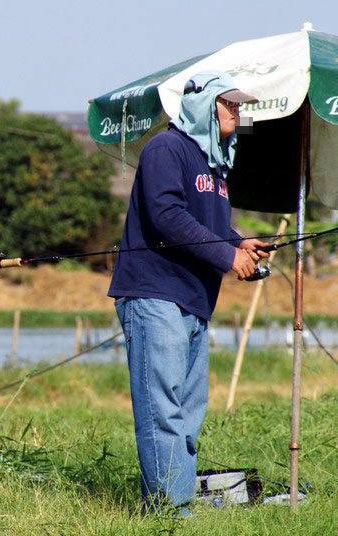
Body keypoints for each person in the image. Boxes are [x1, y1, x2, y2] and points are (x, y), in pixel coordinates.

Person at [108, 70, 268, 514]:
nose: (238, 110)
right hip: (155, 293)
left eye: (239, 104)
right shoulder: (167, 147)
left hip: (195, 301)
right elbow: (165, 215)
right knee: (162, 410)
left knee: (188, 412)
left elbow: (205, 226)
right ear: (202, 104)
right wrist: (226, 256)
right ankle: (168, 512)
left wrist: (238, 243)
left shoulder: (215, 164)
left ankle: (177, 504)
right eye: (229, 102)